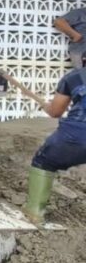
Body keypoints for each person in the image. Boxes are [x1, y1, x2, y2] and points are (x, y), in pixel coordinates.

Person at [22, 65, 86, 223]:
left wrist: (46, 106)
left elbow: (55, 112)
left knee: (43, 162)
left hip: (76, 134)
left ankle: (34, 213)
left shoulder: (74, 77)